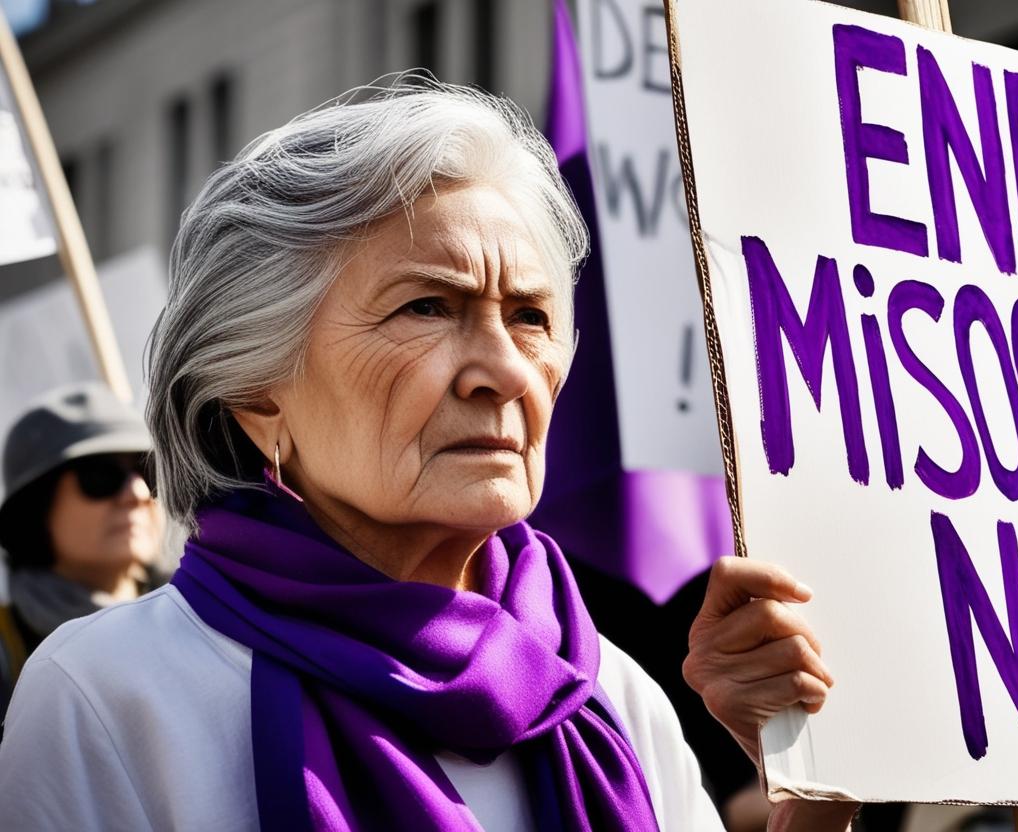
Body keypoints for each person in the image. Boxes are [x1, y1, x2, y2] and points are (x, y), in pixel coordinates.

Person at [0, 79, 851, 832]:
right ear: (258, 394)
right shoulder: (109, 696)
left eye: (530, 316)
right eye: (426, 309)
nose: (506, 372)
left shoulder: (610, 692)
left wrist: (809, 792)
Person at [0, 382, 165, 712]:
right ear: (36, 511)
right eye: (100, 477)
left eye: (146, 471)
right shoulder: (7, 657)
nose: (137, 493)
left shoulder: (209, 614)